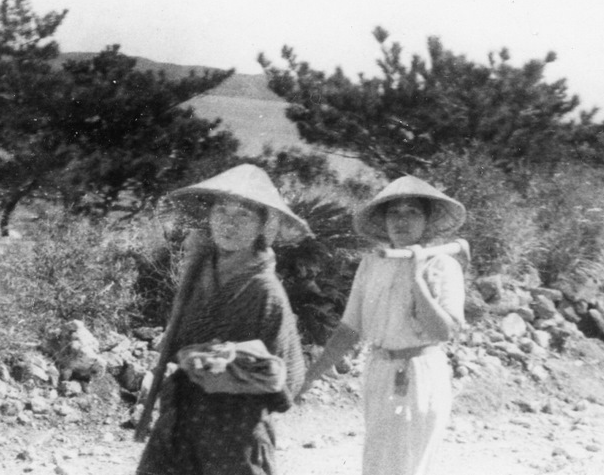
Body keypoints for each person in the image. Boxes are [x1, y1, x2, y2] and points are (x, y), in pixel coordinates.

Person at [135, 164, 311, 475]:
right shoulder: (196, 274)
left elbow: (285, 379)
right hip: (184, 416)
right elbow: (177, 342)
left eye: (244, 215)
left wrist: (229, 364)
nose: (230, 223)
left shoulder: (265, 290)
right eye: (221, 211)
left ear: (263, 226)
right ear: (209, 217)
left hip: (236, 425)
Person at [299, 175, 467, 475]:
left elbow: (444, 332)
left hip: (421, 374)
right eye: (394, 212)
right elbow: (350, 329)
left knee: (408, 467)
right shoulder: (371, 264)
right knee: (377, 465)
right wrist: (311, 376)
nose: (401, 220)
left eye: (412, 212)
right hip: (378, 371)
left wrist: (417, 279)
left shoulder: (442, 264)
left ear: (427, 220)